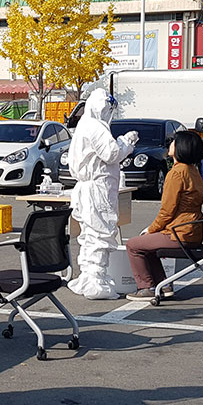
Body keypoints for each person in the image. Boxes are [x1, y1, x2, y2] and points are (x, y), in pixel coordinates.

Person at [66, 89, 138, 300]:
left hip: (90, 188)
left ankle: (90, 277)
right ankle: (96, 280)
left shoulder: (84, 126)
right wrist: (126, 143)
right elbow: (112, 153)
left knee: (90, 235)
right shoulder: (95, 127)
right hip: (97, 189)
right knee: (100, 233)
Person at [125, 131, 203, 301]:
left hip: (179, 233)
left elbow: (167, 211)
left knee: (133, 245)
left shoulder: (176, 173)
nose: (170, 144)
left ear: (180, 148)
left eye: (174, 142)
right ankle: (164, 284)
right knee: (147, 244)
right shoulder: (193, 171)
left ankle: (146, 287)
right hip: (193, 231)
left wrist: (150, 229)